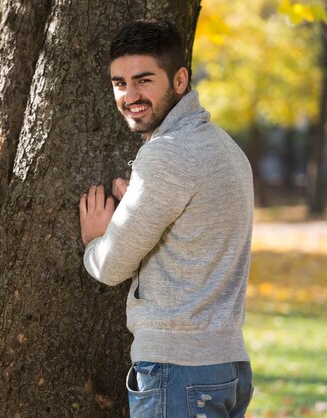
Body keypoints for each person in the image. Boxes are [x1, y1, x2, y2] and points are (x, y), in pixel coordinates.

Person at [78, 19, 254, 418]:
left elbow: (109, 267)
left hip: (180, 371)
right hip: (225, 366)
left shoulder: (169, 153)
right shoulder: (223, 147)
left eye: (144, 80)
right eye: (119, 83)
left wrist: (95, 239)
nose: (130, 96)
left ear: (179, 79)